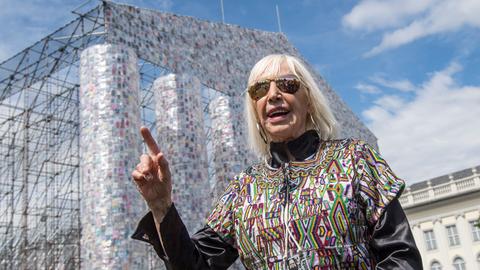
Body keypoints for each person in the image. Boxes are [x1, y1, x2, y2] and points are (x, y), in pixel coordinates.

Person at [131, 54, 422, 269]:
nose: (273, 95)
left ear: (309, 100)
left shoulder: (355, 159)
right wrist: (161, 207)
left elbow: (401, 258)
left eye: (287, 84)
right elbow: (195, 266)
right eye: (260, 90)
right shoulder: (243, 190)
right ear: (256, 111)